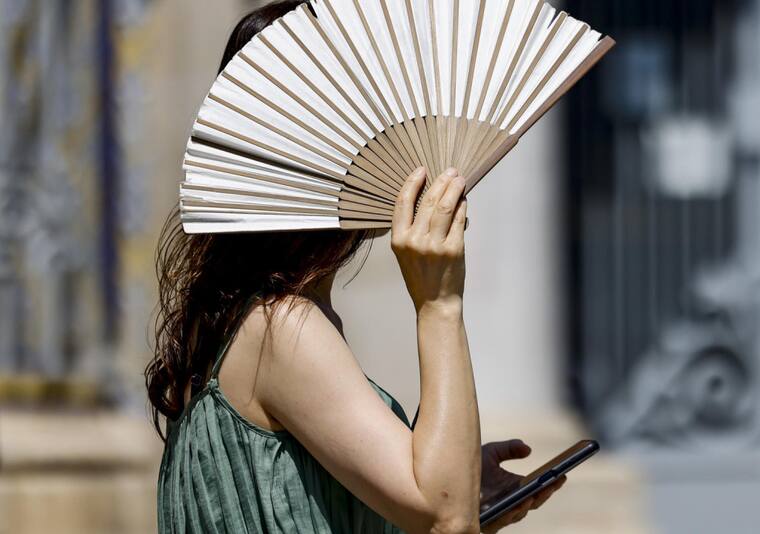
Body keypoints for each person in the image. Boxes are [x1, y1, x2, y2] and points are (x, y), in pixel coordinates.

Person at [145, 2, 566, 532]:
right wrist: (438, 303)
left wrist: (456, 476)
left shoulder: (236, 321)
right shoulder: (281, 328)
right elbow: (446, 518)